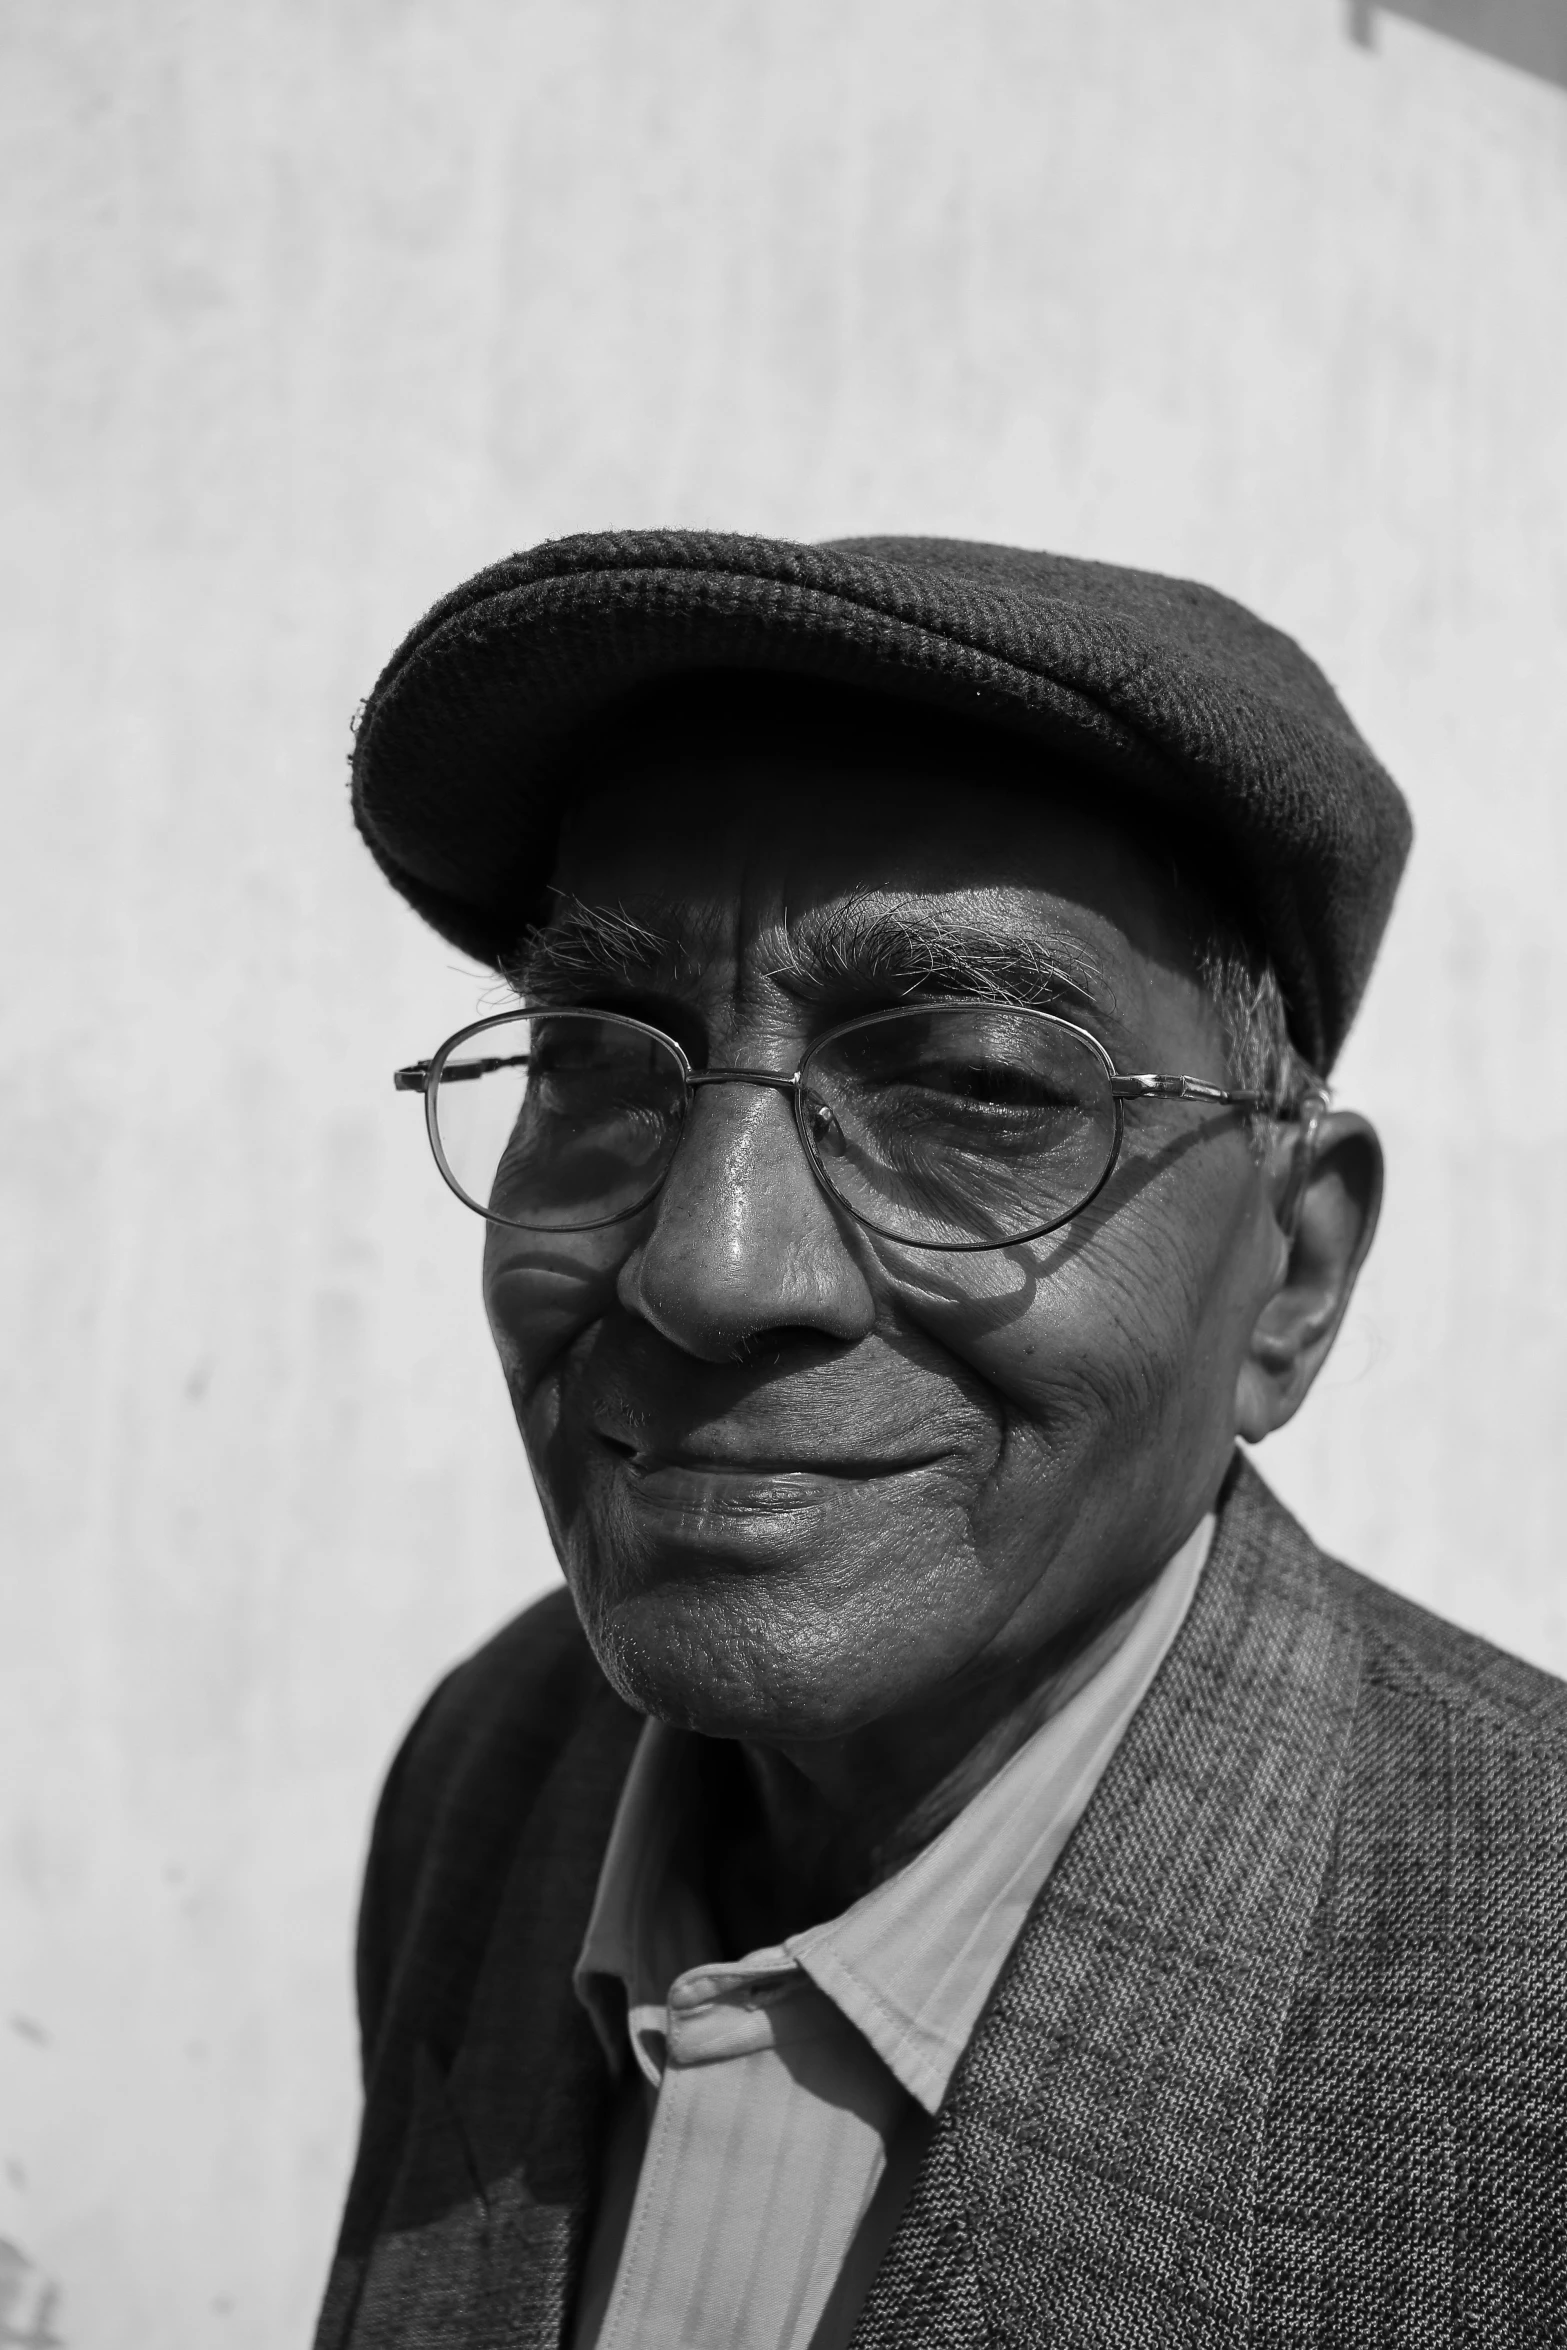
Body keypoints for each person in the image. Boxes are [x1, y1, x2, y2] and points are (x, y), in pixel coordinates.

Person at [314, 533, 1567, 2350]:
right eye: (596, 1063)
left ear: (1288, 1276)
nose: (705, 1265)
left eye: (974, 1086)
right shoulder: (495, 1772)